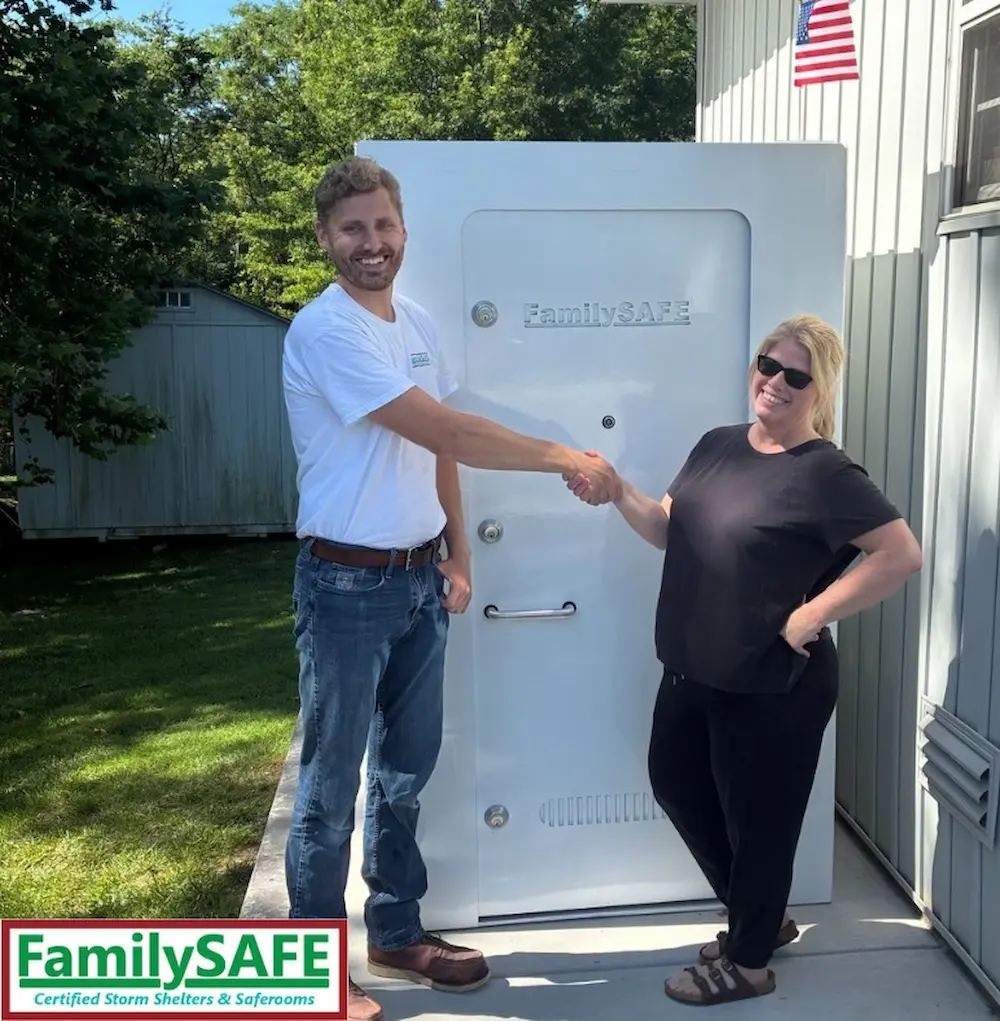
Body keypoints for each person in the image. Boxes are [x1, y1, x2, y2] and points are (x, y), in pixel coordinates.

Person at [280, 155, 619, 1021]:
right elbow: (447, 427)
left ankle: (394, 930)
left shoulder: (419, 323)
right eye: (352, 228)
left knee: (403, 771)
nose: (371, 243)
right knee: (327, 790)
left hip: (418, 581)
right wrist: (565, 460)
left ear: (403, 231)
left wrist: (459, 553)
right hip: (345, 586)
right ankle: (312, 976)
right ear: (325, 238)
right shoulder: (327, 333)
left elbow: (435, 455)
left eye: (383, 226)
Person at [567, 314, 922, 1007]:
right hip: (694, 665)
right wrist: (617, 492)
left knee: (760, 820)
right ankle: (757, 916)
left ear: (820, 389)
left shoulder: (826, 471)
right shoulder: (719, 446)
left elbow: (900, 553)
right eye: (769, 363)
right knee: (675, 782)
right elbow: (671, 527)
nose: (776, 381)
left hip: (773, 682)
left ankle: (750, 961)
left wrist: (812, 614)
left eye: (798, 374)